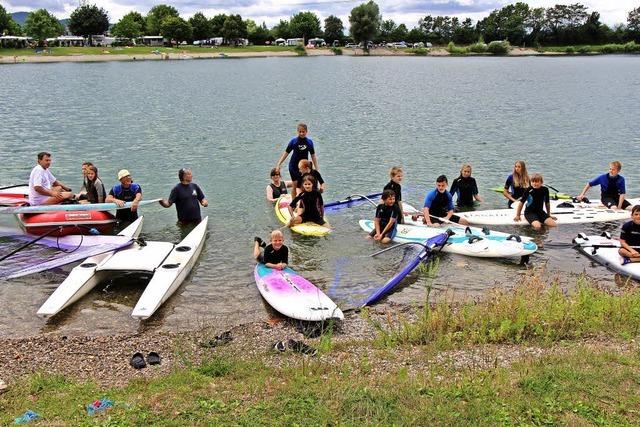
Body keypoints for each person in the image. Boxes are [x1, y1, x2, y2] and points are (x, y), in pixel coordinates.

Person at [274, 123, 319, 199]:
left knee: (305, 185)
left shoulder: (309, 142)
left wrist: (316, 168)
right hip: (293, 166)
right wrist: (279, 164)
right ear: (297, 132)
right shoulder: (293, 142)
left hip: (304, 167)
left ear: (306, 131)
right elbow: (286, 153)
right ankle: (294, 203)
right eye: (300, 131)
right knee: (295, 185)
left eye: (303, 131)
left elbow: (313, 155)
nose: (301, 133)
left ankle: (306, 202)